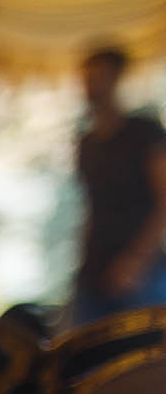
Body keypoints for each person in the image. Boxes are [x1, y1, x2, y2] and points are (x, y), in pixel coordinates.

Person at [72, 42, 166, 322]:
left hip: (143, 273)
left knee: (143, 359)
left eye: (98, 77)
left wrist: (136, 261)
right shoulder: (86, 143)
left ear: (116, 79)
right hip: (94, 269)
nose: (91, 86)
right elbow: (90, 208)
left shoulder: (144, 132)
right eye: (87, 78)